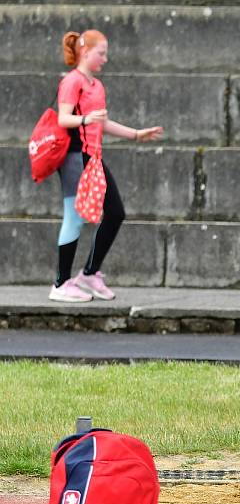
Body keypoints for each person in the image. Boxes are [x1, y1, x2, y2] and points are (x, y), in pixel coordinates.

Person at [48, 29, 163, 303]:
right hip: (74, 156)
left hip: (93, 157)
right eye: (101, 53)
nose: (105, 59)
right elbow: (64, 119)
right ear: (85, 52)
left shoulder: (96, 85)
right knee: (74, 218)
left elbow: (102, 122)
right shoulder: (72, 82)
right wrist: (87, 118)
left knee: (115, 212)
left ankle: (88, 273)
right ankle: (61, 283)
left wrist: (136, 134)